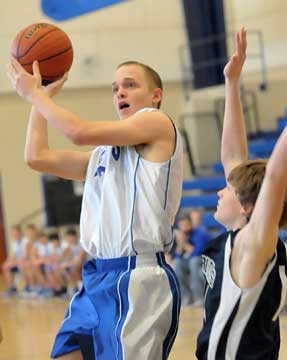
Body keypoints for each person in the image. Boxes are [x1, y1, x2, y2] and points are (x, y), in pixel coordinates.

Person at [7, 59, 183, 360]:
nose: (120, 93)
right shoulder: (102, 155)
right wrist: (42, 99)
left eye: (130, 84)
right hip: (97, 276)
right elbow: (36, 157)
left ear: (156, 95)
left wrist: (33, 94)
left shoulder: (158, 122)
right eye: (115, 88)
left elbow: (78, 132)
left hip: (137, 277)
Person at [196, 28, 287, 359]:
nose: (220, 190)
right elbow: (233, 158)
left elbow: (275, 176)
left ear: (250, 207)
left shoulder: (255, 243)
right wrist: (232, 83)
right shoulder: (240, 238)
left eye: (229, 189)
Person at [173, 213, 210, 306]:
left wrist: (184, 243)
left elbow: (197, 253)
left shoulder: (200, 232)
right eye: (181, 225)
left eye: (186, 224)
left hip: (203, 262)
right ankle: (186, 297)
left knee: (194, 262)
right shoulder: (180, 235)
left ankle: (199, 298)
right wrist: (180, 245)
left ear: (190, 223)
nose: (184, 227)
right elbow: (177, 256)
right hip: (189, 262)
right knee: (177, 263)